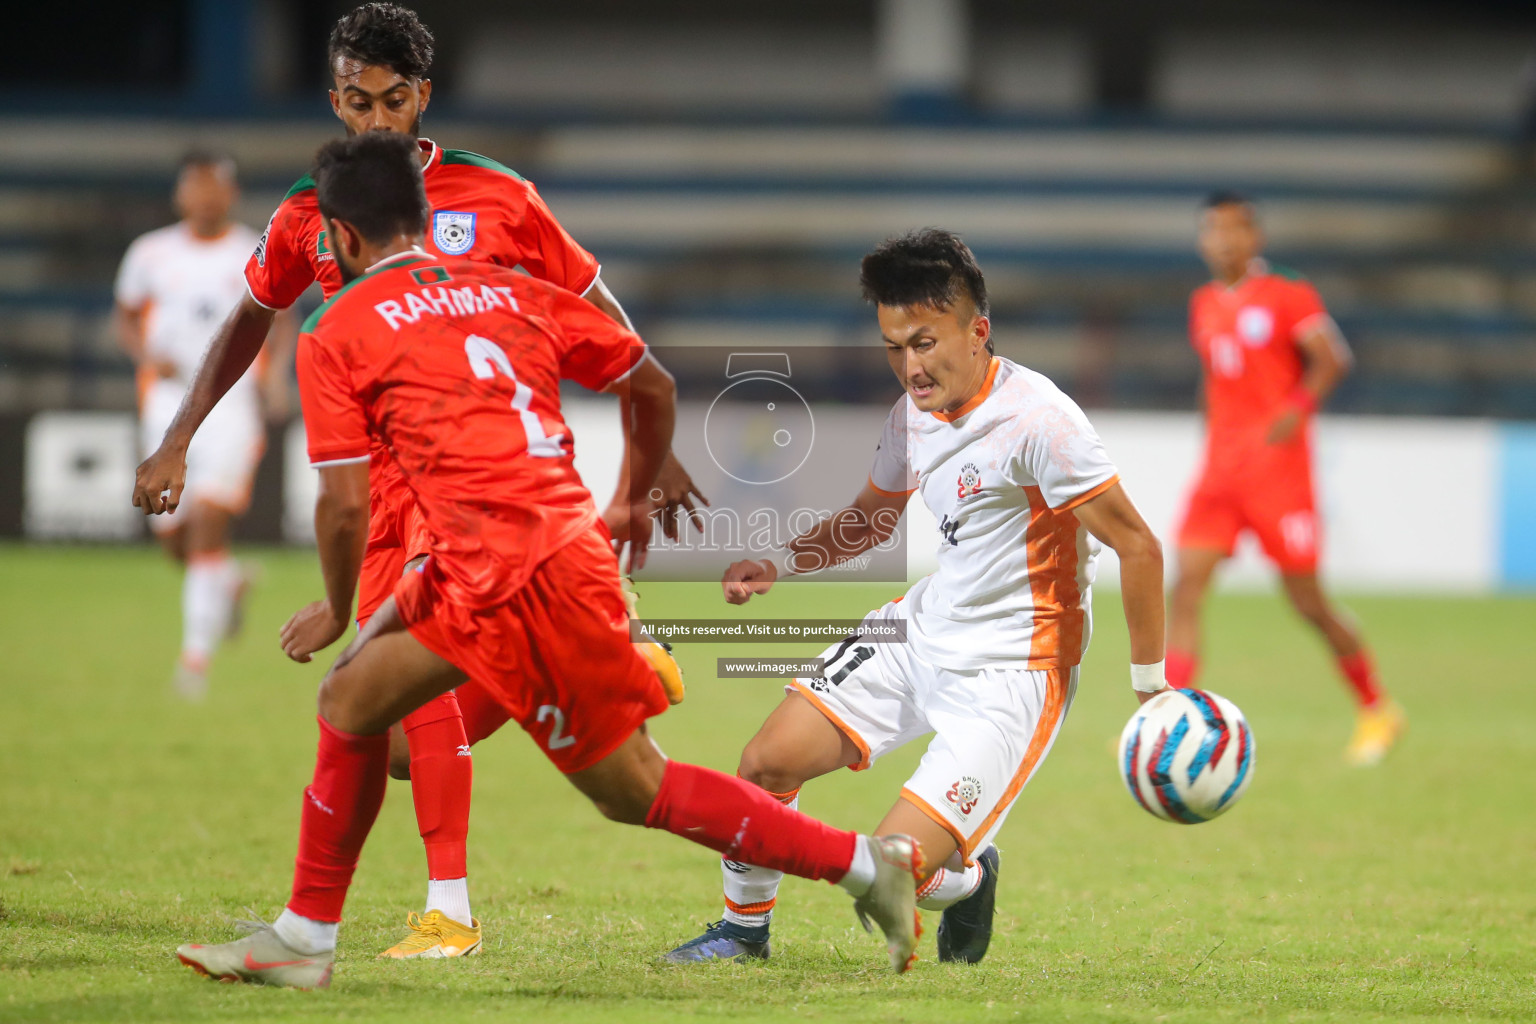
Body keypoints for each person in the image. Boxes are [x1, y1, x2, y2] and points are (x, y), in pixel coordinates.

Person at [172, 134, 922, 988]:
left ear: (340, 239)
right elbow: (650, 381)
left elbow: (343, 504)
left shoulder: (334, 327)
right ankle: (305, 938)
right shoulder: (507, 291)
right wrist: (632, 496)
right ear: (428, 217)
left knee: (634, 790)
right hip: (509, 558)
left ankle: (867, 865)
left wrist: (339, 607)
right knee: (350, 699)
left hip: (521, 577)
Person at [130, 3, 701, 958]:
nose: (377, 121)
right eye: (358, 102)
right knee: (392, 741)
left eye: (395, 101)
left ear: (424, 98)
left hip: (471, 478)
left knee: (411, 690)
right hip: (376, 477)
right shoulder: (311, 210)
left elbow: (592, 306)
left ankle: (447, 912)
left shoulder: (498, 198)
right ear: (335, 99)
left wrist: (661, 444)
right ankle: (602, 661)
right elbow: (248, 320)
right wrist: (180, 434)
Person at [663, 229, 1169, 965]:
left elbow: (1138, 545)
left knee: (898, 871)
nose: (910, 365)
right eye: (895, 346)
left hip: (1012, 672)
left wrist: (1151, 687)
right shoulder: (913, 414)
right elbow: (872, 519)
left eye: (925, 342)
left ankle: (968, 880)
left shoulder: (1041, 422)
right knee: (765, 764)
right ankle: (744, 934)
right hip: (919, 632)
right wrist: (780, 561)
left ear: (978, 330)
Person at [1166, 192, 1405, 766]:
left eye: (1232, 230)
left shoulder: (1288, 293)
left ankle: (1378, 707)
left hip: (1278, 475)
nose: (1221, 241)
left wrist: (1298, 404)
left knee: (1308, 604)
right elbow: (1214, 378)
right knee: (1185, 587)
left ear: (1255, 238)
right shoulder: (1203, 302)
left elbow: (1333, 358)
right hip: (1221, 474)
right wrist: (1211, 436)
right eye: (1212, 231)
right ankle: (1168, 718)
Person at [113, 150, 295, 700]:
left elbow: (279, 315)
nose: (206, 197)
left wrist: (275, 377)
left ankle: (194, 663)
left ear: (231, 195)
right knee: (174, 540)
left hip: (232, 404)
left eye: (215, 187)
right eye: (196, 187)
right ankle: (230, 582)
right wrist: (146, 354)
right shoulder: (150, 253)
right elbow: (125, 315)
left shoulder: (250, 251)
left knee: (209, 525)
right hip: (166, 405)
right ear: (180, 194)